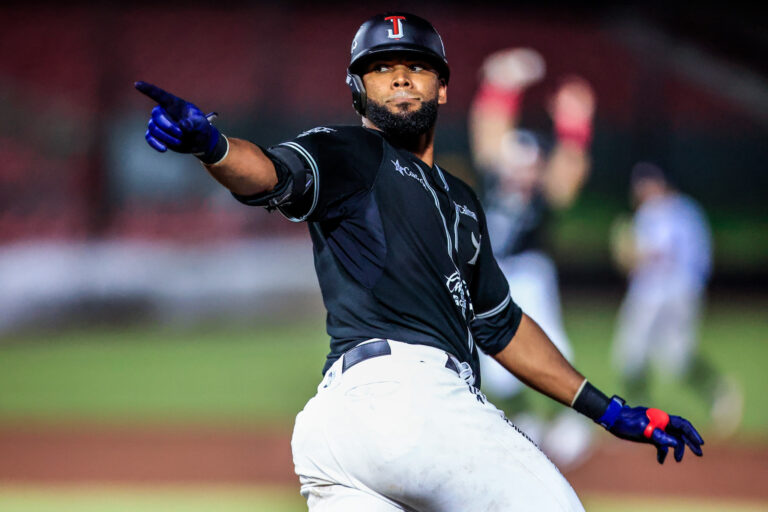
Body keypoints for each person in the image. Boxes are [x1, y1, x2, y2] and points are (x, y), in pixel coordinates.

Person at [136, 12, 703, 511]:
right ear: (357, 91)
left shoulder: (463, 200)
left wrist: (609, 411)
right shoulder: (351, 153)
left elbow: (500, 324)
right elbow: (274, 175)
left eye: (417, 66)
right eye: (382, 68)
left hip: (343, 436)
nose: (401, 76)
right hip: (407, 400)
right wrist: (213, 147)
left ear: (443, 89)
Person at [469, 48, 596, 469]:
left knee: (551, 346)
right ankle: (525, 419)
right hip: (493, 272)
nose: (519, 172)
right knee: (493, 360)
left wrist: (574, 125)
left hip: (529, 270)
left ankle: (573, 420)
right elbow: (487, 135)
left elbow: (567, 180)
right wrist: (501, 87)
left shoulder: (544, 187)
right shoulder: (494, 174)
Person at [611, 162, 742, 435]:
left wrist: (628, 251)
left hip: (662, 295)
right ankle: (715, 393)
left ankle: (642, 417)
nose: (641, 190)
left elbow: (653, 255)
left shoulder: (662, 211)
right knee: (660, 357)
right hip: (673, 293)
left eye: (645, 184)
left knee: (640, 355)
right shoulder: (686, 209)